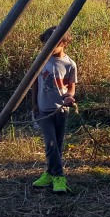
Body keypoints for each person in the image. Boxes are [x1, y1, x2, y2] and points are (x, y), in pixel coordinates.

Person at [31, 26, 77, 193]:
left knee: (57, 144)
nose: (48, 46)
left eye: (54, 43)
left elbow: (71, 88)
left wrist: (69, 97)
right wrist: (34, 104)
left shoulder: (70, 64)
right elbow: (35, 83)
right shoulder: (41, 61)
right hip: (44, 109)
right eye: (46, 42)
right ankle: (59, 177)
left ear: (65, 43)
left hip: (61, 110)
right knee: (50, 144)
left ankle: (50, 173)